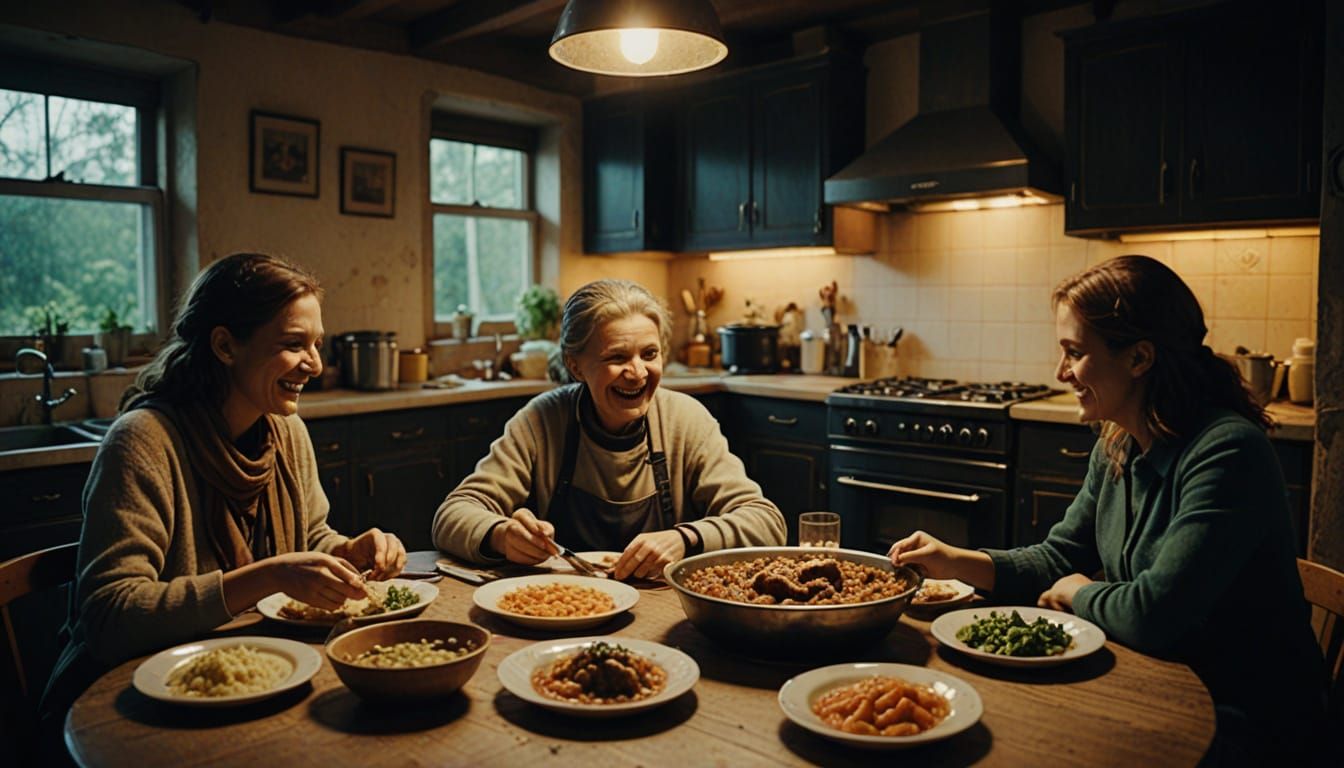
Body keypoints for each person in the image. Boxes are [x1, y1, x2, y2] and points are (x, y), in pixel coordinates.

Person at [888, 254, 1326, 764]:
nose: (1060, 372)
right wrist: (955, 560)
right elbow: (1058, 558)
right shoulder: (1117, 441)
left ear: (1139, 358)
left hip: (1247, 719)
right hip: (1155, 684)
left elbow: (1153, 615)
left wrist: (1081, 593)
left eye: (1074, 353)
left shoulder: (1227, 452)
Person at [40, 253, 406, 729]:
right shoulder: (144, 441)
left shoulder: (285, 430)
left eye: (317, 344)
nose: (314, 365)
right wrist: (267, 576)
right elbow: (110, 619)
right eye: (294, 344)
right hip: (126, 705)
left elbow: (311, 537)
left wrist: (348, 551)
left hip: (248, 675)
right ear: (225, 346)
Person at [432, 278, 785, 580]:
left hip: (666, 608)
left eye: (649, 354)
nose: (638, 372)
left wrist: (687, 539)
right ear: (576, 366)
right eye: (617, 357)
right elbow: (452, 515)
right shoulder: (543, 421)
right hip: (564, 605)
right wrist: (501, 535)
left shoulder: (685, 420)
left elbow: (766, 522)